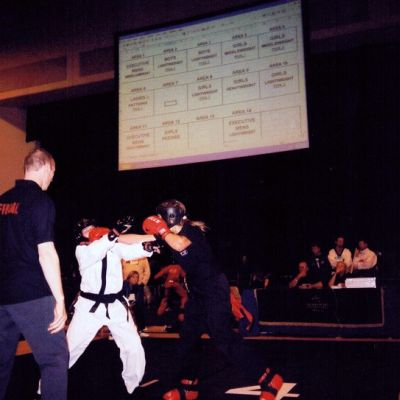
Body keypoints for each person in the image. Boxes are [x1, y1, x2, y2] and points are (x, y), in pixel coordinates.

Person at [142, 199, 283, 400]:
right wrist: (113, 236)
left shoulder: (191, 232)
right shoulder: (169, 235)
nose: (159, 220)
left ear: (170, 216)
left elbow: (180, 244)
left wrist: (162, 230)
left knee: (223, 337)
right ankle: (189, 387)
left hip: (213, 289)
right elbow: (140, 240)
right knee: (187, 338)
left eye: (161, 217)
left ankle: (269, 379)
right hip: (198, 293)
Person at [0, 148, 69, 400]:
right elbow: (46, 252)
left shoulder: (2, 200)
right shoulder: (40, 201)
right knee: (54, 359)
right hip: (32, 294)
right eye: (53, 172)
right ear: (47, 167)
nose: (52, 178)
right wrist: (60, 300)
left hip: (2, 295)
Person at [67, 217, 155, 396]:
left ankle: (133, 385)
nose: (92, 231)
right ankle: (44, 388)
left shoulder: (113, 245)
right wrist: (113, 234)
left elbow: (130, 251)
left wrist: (149, 247)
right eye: (86, 230)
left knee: (133, 346)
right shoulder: (82, 250)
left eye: (93, 227)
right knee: (69, 349)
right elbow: (96, 251)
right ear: (80, 235)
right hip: (89, 308)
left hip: (115, 305)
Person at [122, 257, 151, 332]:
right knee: (124, 307)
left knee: (139, 307)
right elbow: (119, 269)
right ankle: (125, 327)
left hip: (139, 286)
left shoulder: (143, 257)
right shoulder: (124, 256)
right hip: (125, 285)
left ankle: (141, 327)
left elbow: (147, 271)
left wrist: (143, 282)